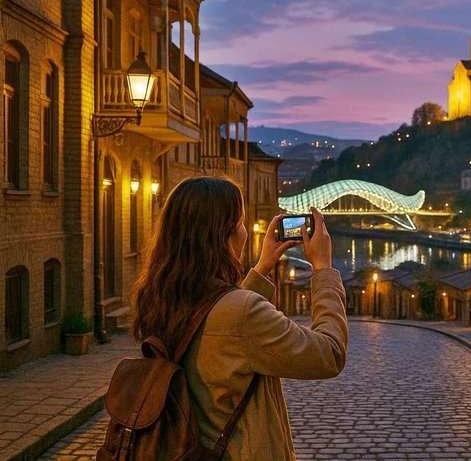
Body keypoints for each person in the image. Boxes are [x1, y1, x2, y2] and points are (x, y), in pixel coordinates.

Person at [131, 177, 347, 460]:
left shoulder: (161, 299)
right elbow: (329, 354)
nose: (245, 232)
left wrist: (263, 267)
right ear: (223, 236)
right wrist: (323, 269)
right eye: (242, 223)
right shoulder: (241, 313)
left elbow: (223, 324)